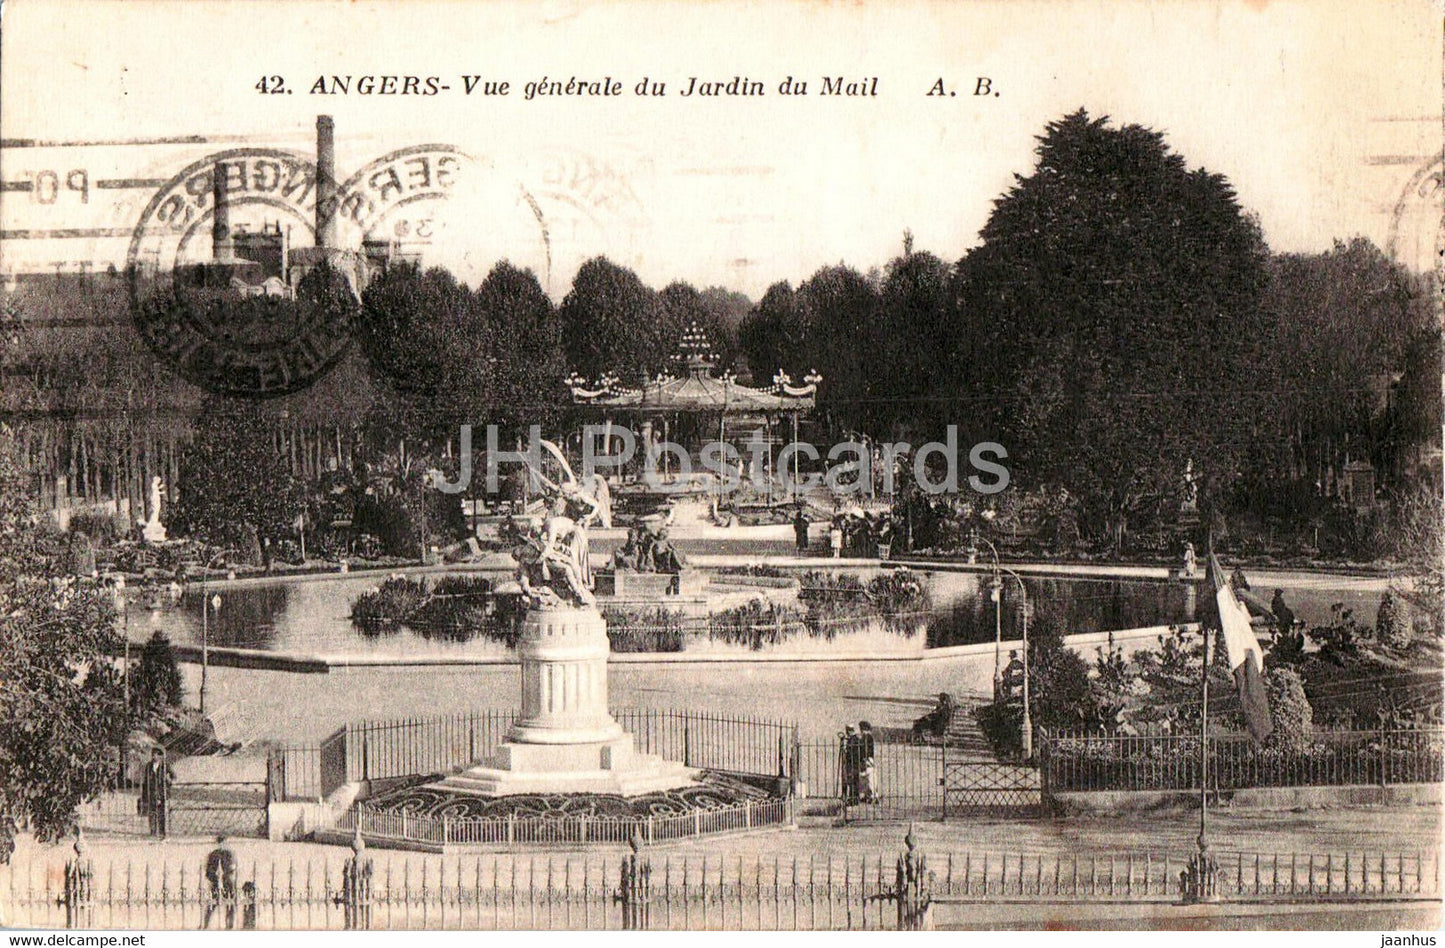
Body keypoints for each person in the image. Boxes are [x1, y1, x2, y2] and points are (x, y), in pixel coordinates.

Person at [203, 835, 238, 929]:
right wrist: (214, 878)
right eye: (220, 843)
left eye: (224, 843)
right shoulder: (213, 855)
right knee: (211, 904)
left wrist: (227, 876)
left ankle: (229, 925)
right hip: (215, 883)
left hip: (228, 883)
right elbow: (208, 870)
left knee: (230, 904)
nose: (222, 845)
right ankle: (205, 925)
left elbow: (233, 869)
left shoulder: (230, 854)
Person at [138, 747, 173, 839]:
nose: (154, 756)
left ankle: (162, 831)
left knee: (161, 812)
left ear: (160, 756)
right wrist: (144, 794)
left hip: (162, 791)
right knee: (152, 812)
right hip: (151, 791)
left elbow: (173, 776)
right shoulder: (148, 766)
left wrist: (168, 782)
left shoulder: (165, 765)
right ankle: (153, 830)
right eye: (152, 755)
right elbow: (145, 780)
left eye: (156, 755)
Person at [857, 722, 879, 803]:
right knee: (868, 778)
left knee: (868, 777)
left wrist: (864, 758)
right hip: (869, 758)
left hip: (867, 759)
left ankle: (872, 796)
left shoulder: (866, 737)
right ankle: (870, 795)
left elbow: (865, 749)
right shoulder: (869, 737)